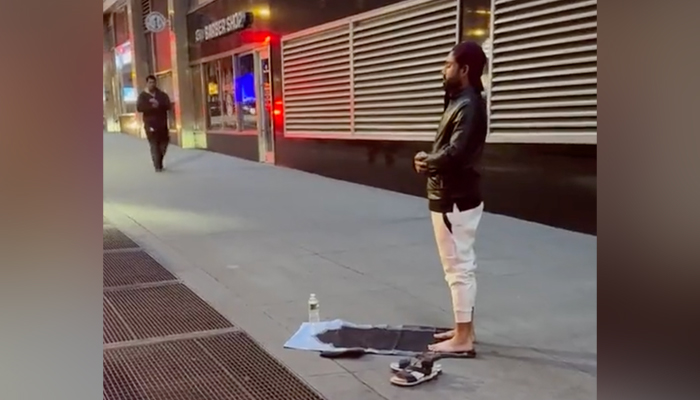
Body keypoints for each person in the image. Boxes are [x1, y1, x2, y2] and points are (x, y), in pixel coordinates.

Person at [413, 41, 488, 355]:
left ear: (464, 69)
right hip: (454, 195)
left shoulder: (468, 104)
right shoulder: (461, 101)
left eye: (448, 65)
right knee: (460, 266)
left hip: (453, 198)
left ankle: (463, 338)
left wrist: (427, 161)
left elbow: (455, 152)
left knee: (458, 268)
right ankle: (463, 330)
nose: (443, 70)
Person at [136, 75, 171, 172]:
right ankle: (157, 165)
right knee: (154, 144)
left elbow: (168, 105)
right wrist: (151, 106)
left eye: (153, 82)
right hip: (150, 124)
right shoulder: (143, 96)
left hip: (162, 124)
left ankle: (159, 160)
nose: (152, 84)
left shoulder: (162, 95)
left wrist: (158, 104)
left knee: (164, 143)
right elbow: (139, 108)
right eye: (150, 82)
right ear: (147, 83)